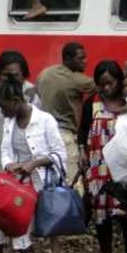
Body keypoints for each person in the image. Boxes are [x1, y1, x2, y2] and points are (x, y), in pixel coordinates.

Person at [0, 78, 66, 253]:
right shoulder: (9, 123)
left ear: (15, 101)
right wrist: (9, 165)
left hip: (40, 186)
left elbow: (60, 154)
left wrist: (34, 164)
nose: (3, 113)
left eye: (4, 108)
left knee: (18, 231)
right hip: (17, 185)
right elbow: (5, 151)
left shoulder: (45, 120)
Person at [78, 61, 127, 253]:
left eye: (110, 83)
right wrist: (82, 150)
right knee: (102, 215)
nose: (106, 88)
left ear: (119, 81)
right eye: (102, 84)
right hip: (98, 167)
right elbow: (83, 130)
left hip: (123, 168)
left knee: (125, 212)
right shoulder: (93, 102)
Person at [37, 42, 95, 188]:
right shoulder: (76, 79)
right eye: (80, 58)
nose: (85, 61)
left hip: (43, 135)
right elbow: (104, 85)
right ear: (68, 59)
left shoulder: (44, 73)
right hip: (65, 136)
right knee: (72, 181)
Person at [0, 51, 40, 172]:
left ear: (23, 74)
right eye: (5, 75)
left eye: (15, 75)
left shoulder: (30, 93)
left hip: (20, 162)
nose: (10, 79)